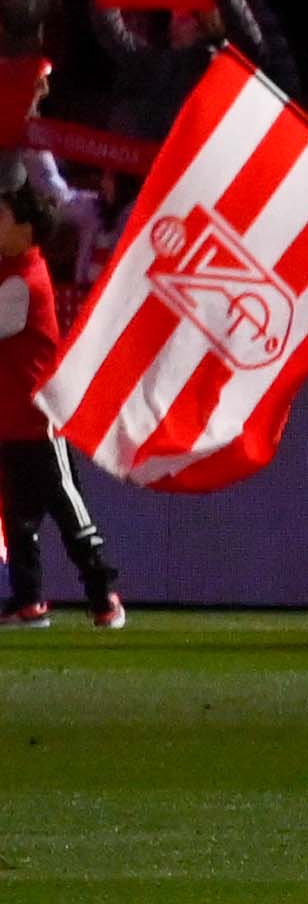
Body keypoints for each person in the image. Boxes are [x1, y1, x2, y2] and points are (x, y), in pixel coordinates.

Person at [0, 181, 118, 629]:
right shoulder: (13, 271)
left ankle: (104, 594)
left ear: (27, 229)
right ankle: (29, 602)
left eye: (3, 218)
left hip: (39, 420)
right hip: (12, 421)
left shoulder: (26, 279)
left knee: (70, 510)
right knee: (19, 520)